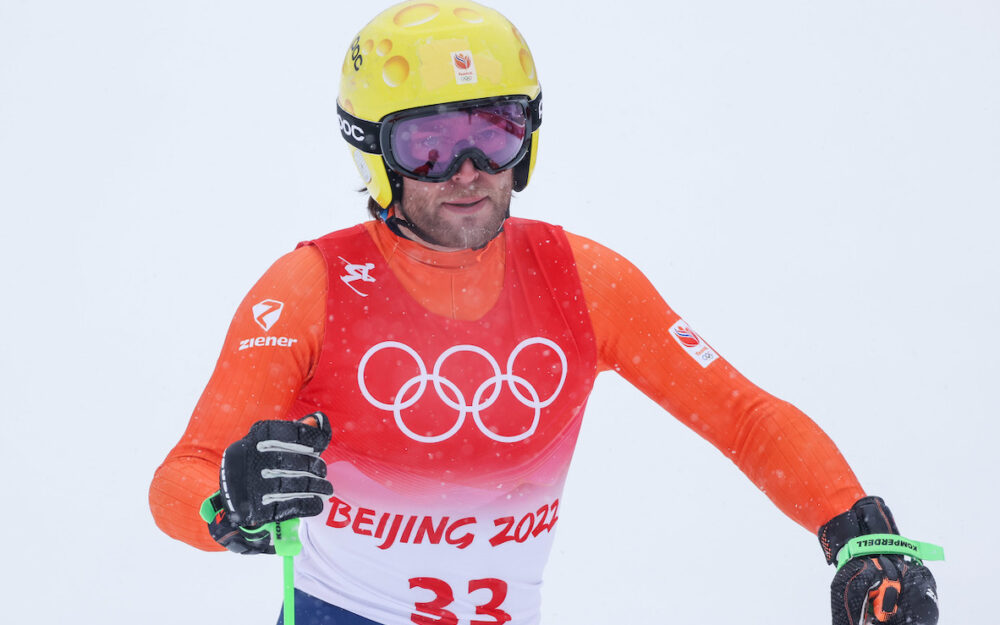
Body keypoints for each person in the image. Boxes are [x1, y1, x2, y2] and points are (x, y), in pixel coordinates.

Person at [149, 1, 941, 623]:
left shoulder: (581, 278)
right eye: (429, 142)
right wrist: (228, 503)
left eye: (494, 132)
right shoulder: (312, 286)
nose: (466, 170)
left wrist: (856, 529)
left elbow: (744, 417)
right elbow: (179, 478)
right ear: (374, 152)